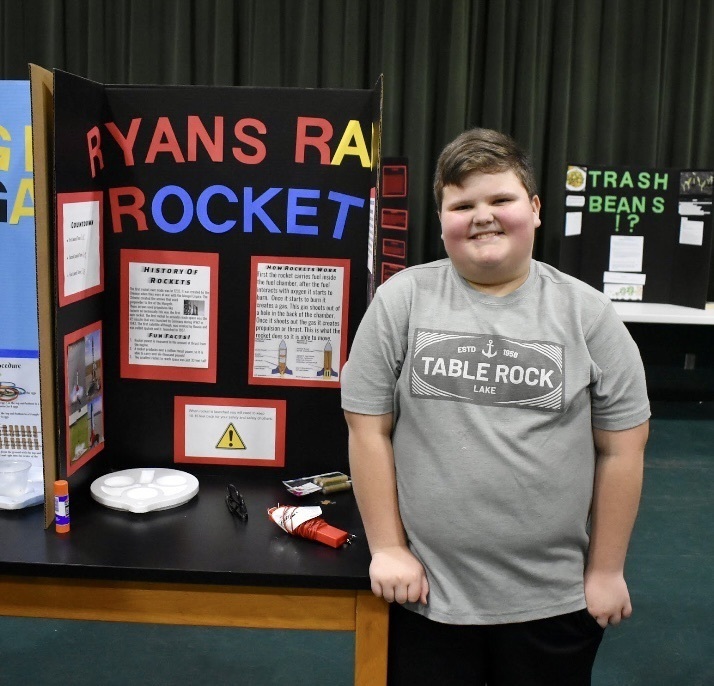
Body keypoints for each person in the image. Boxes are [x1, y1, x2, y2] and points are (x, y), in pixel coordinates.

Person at [341, 128, 650, 685]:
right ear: (441, 221)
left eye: (500, 199)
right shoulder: (400, 301)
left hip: (554, 600)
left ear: (535, 209)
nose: (482, 216)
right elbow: (367, 431)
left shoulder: (589, 314)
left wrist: (606, 570)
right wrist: (387, 548)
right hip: (424, 595)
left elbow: (623, 450)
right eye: (462, 205)